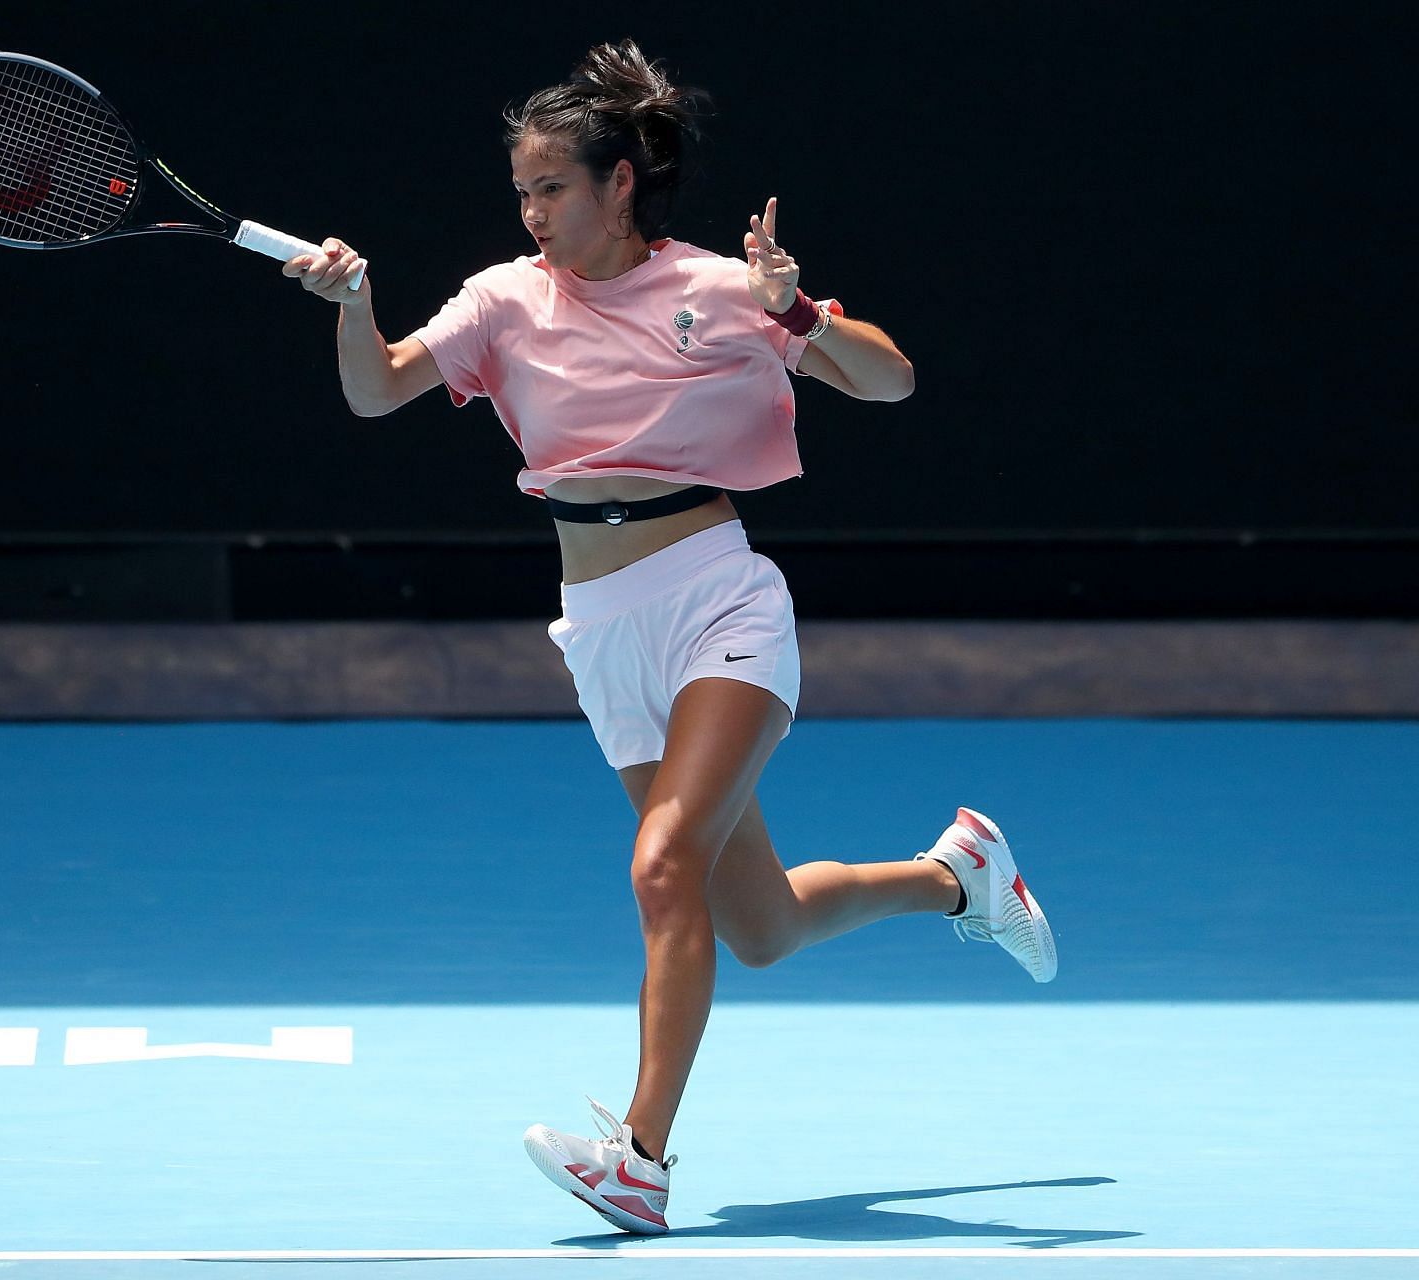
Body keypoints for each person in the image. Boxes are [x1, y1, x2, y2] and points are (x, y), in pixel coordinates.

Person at [283, 39, 1057, 1236]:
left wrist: (795, 307)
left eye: (551, 188)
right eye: (522, 193)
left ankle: (639, 1158)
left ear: (618, 186)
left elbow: (891, 382)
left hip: (718, 600)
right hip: (600, 630)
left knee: (660, 866)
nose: (533, 213)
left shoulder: (720, 288)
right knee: (759, 926)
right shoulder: (503, 298)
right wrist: (352, 307)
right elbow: (376, 388)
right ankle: (959, 876)